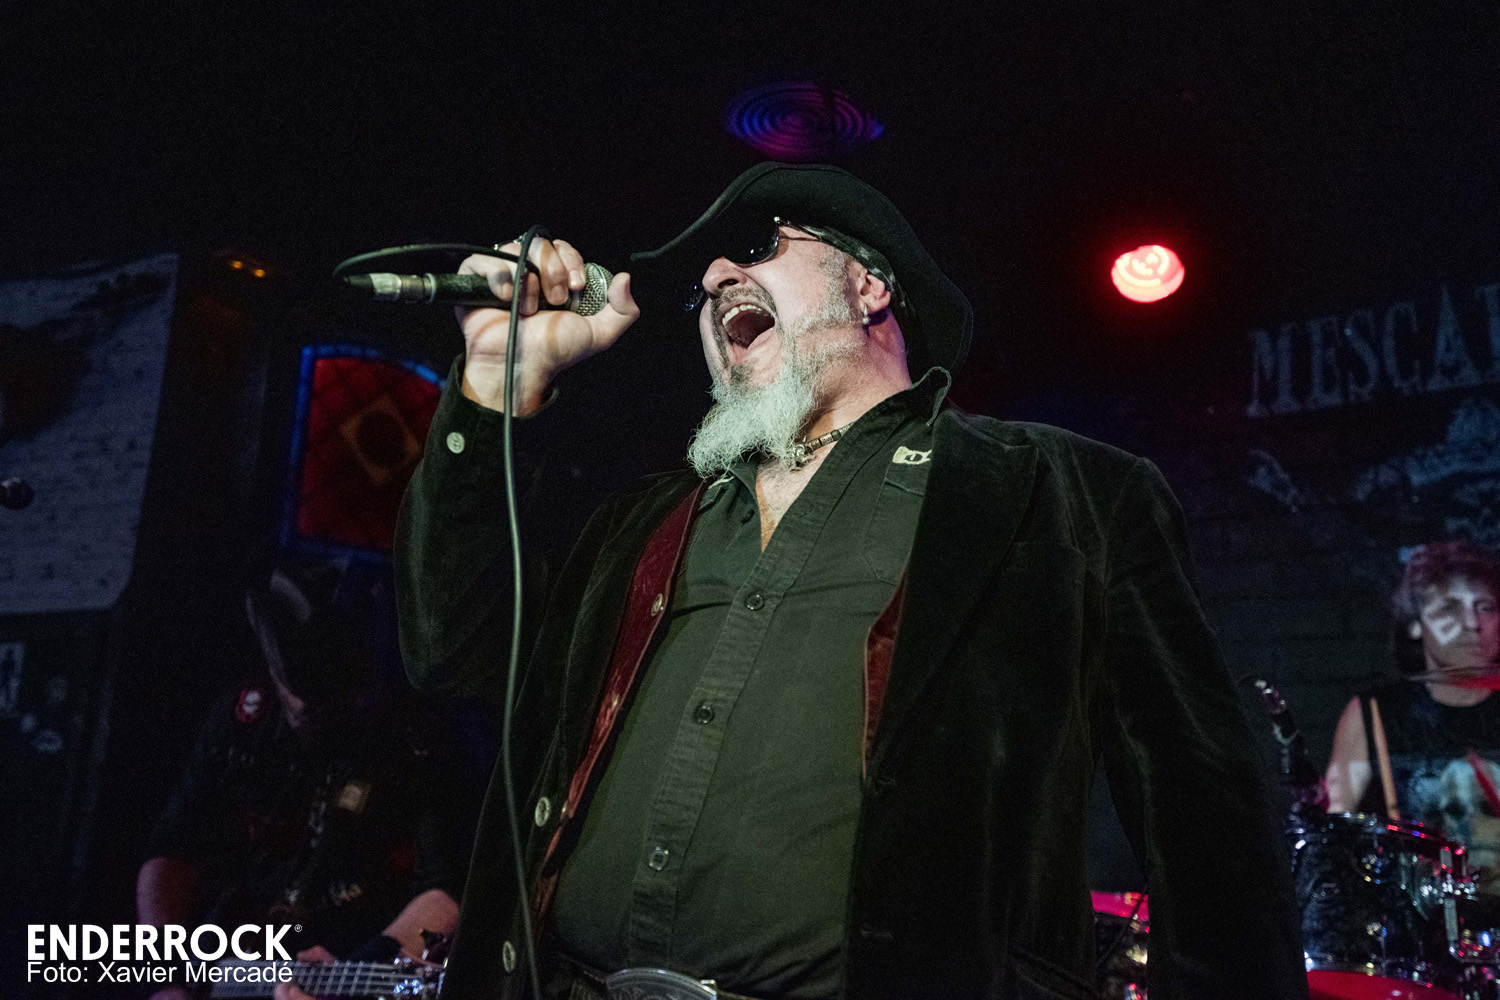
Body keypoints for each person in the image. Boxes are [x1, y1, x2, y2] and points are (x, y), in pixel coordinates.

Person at [395, 162, 1305, 999]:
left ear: (870, 285)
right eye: (703, 282)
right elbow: (450, 649)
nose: (715, 278)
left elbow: (1210, 825)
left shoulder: (1060, 494)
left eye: (759, 247)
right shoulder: (640, 524)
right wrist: (496, 380)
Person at [137, 561, 468, 1000]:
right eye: (305, 704)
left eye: (339, 700)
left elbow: (445, 889)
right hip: (240, 962)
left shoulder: (416, 736)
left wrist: (372, 964)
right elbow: (173, 850)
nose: (320, 716)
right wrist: (168, 978)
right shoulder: (244, 720)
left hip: (359, 958)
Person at [1324, 540, 1500, 878]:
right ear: (1415, 623)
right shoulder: (1373, 714)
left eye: (1486, 607)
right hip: (1417, 906)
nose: (1472, 623)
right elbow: (1331, 839)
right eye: (1449, 608)